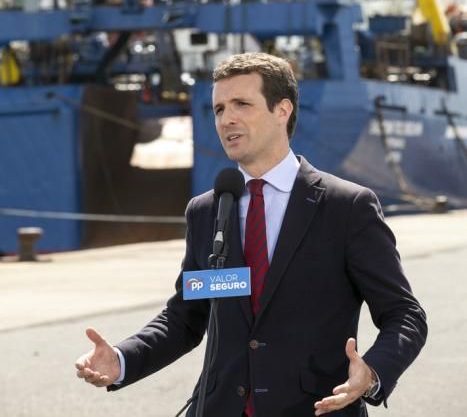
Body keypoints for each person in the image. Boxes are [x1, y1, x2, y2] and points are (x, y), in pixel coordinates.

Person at [75, 52, 427, 416]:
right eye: (219, 109)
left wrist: (371, 372)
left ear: (282, 110)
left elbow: (404, 314)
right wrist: (122, 359)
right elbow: (185, 317)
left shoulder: (346, 207)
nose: (227, 118)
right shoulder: (207, 211)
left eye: (242, 104)